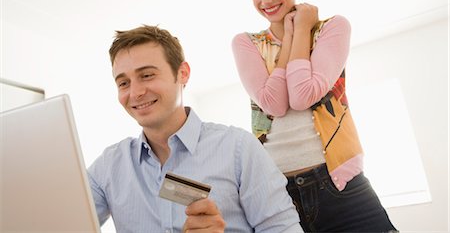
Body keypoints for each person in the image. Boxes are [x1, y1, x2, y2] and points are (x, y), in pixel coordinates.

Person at [232, 0, 398, 232]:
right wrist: (296, 33)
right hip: (278, 194)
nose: (264, 1)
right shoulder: (246, 43)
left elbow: (302, 95)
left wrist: (304, 29)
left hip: (341, 183)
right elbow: (273, 104)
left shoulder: (332, 28)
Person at [87, 25, 302, 233]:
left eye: (147, 75)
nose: (135, 92)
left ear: (182, 73)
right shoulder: (107, 168)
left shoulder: (239, 149)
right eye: (123, 83)